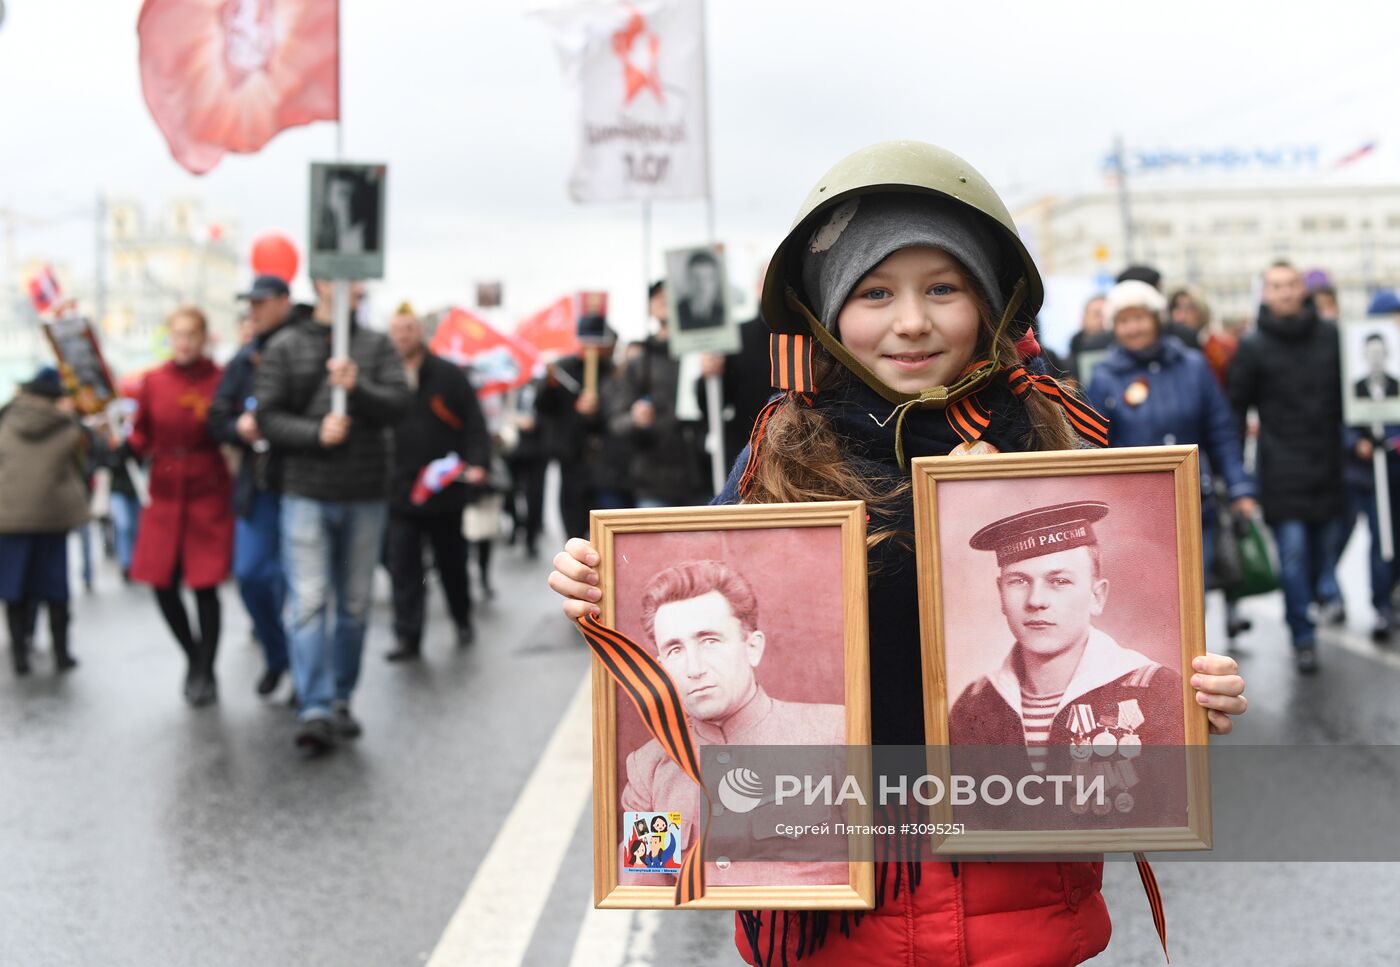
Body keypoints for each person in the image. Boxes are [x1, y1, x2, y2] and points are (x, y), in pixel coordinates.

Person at [550, 141, 1248, 965]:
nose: (911, 321)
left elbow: (1125, 669)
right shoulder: (779, 451)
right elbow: (687, 581)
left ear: (991, 305)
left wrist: (1192, 698)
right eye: (875, 291)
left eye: (943, 288)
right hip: (835, 908)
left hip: (1014, 900)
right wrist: (604, 582)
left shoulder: (1050, 441)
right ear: (827, 314)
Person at [617, 559, 845, 887]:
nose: (694, 668)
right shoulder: (651, 769)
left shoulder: (836, 735)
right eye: (675, 649)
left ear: (752, 648)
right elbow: (644, 892)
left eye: (710, 641)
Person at [255, 278, 410, 754]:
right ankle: (315, 704)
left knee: (354, 605)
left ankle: (341, 697)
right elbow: (268, 416)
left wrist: (356, 387)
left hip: (364, 491)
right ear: (322, 283)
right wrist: (314, 432)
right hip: (306, 491)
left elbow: (399, 404)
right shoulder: (285, 344)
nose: (355, 285)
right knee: (309, 601)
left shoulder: (376, 344)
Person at [950, 503, 1183, 763]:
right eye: (1018, 581)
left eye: (1059, 581)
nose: (1036, 600)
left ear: (1097, 596)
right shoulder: (975, 703)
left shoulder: (1158, 691)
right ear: (1001, 595)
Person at [1085, 279, 1257, 580]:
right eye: (1124, 321)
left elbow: (1221, 433)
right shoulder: (1104, 378)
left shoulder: (1192, 366)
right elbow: (1093, 445)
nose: (1133, 328)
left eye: (1139, 317)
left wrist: (1240, 488)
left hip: (1195, 503)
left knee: (1192, 595)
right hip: (1134, 512)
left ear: (1156, 319)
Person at [1228, 260, 1346, 673]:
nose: (1284, 292)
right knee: (1293, 557)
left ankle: (1313, 601)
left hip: (1330, 465)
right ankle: (1303, 637)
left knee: (1323, 556)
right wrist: (1237, 474)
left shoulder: (1332, 336)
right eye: (1276, 285)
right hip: (1281, 469)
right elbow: (1237, 410)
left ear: (1302, 289)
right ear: (1265, 293)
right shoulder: (1253, 345)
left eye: (1290, 284)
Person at [208, 274, 310, 697]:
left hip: (302, 482)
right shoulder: (244, 356)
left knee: (301, 588)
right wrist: (239, 427)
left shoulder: (308, 345)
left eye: (261, 302)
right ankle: (277, 655)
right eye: (250, 303)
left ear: (284, 301)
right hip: (258, 486)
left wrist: (278, 424)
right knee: (250, 575)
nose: (253, 309)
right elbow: (217, 417)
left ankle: (307, 681)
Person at [127, 308, 234, 706]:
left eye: (191, 334)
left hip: (206, 486)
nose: (184, 342)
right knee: (160, 580)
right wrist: (123, 446)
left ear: (204, 336)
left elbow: (229, 423)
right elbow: (140, 433)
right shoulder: (153, 381)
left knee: (205, 583)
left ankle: (206, 667)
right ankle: (193, 656)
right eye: (178, 335)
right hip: (166, 490)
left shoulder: (221, 380)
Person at [384, 306, 490, 660]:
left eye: (409, 328)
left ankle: (461, 617)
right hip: (401, 490)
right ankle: (408, 636)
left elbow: (474, 423)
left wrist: (477, 463)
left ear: (421, 332)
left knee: (451, 563)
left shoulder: (448, 375)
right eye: (396, 329)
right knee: (403, 566)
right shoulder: (385, 376)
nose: (402, 336)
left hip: (444, 490)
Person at [0, 368, 87, 675]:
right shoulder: (66, 426)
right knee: (54, 588)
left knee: (14, 587)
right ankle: (61, 653)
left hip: (9, 516)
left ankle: (20, 654)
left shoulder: (5, 420)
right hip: (52, 516)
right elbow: (79, 466)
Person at [610, 281, 705, 508]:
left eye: (670, 294)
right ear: (650, 308)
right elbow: (616, 421)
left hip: (701, 478)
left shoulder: (703, 356)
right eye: (657, 297)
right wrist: (635, 419)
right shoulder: (639, 362)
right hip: (653, 481)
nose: (664, 300)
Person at [698, 264, 776, 469]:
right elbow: (713, 404)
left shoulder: (808, 335)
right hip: (746, 457)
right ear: (758, 287)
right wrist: (709, 376)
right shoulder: (736, 336)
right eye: (770, 280)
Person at [675, 250, 726, 332]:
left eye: (707, 278)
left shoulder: (724, 314)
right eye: (696, 278)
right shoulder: (675, 313)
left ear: (716, 282)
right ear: (688, 280)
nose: (701, 285)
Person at [1354, 333, 1400, 399]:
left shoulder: (1397, 385)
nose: (1376, 359)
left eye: (1378, 353)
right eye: (1372, 354)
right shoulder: (1356, 388)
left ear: (1386, 354)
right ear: (1365, 356)